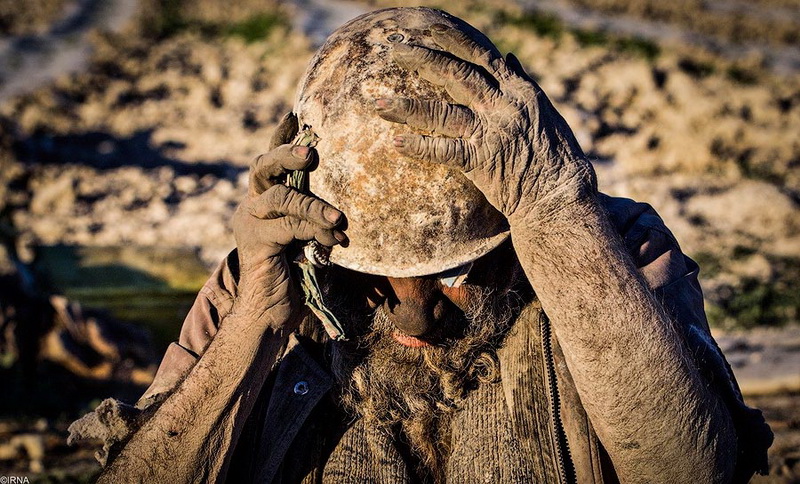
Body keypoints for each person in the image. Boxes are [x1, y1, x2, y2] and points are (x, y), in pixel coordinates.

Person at [68, 7, 773, 483]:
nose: (413, 316)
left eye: (449, 272)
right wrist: (253, 324)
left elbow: (694, 469)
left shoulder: (608, 245)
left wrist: (555, 213)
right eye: (374, 276)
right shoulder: (261, 280)